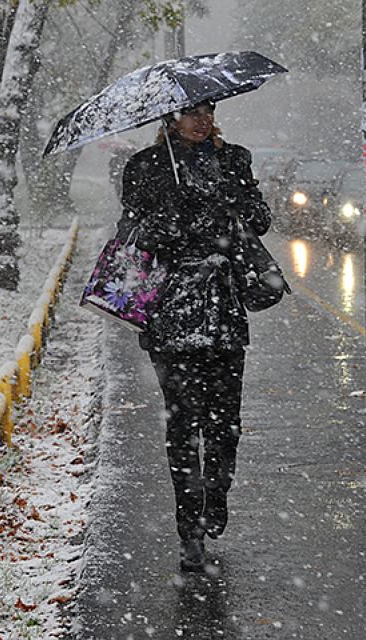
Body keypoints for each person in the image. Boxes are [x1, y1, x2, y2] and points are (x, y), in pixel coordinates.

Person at [116, 100, 272, 572]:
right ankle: (190, 529)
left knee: (225, 423)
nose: (202, 121)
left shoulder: (233, 159)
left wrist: (230, 204)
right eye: (190, 114)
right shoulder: (145, 167)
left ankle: (216, 494)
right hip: (171, 312)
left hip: (223, 308)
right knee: (183, 426)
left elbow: (260, 219)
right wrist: (176, 219)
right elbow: (132, 233)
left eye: (208, 111)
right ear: (170, 120)